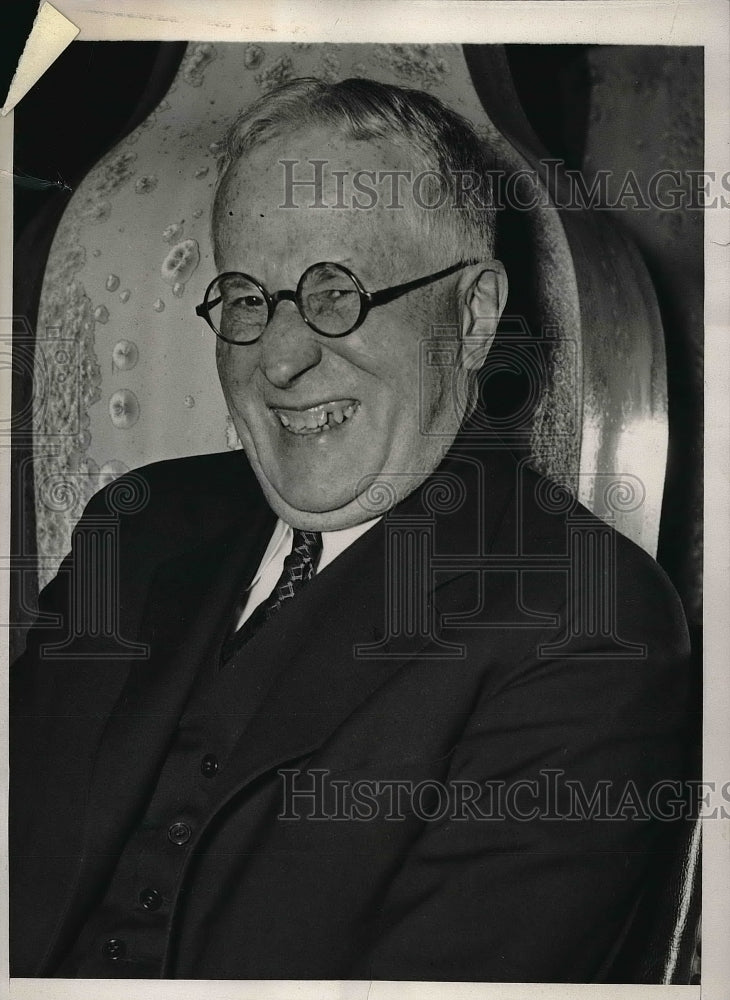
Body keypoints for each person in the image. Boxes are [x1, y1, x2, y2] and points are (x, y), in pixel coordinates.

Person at [10, 77, 693, 982]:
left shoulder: (590, 625)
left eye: (337, 293)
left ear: (474, 317)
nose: (281, 359)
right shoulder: (137, 528)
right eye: (249, 299)